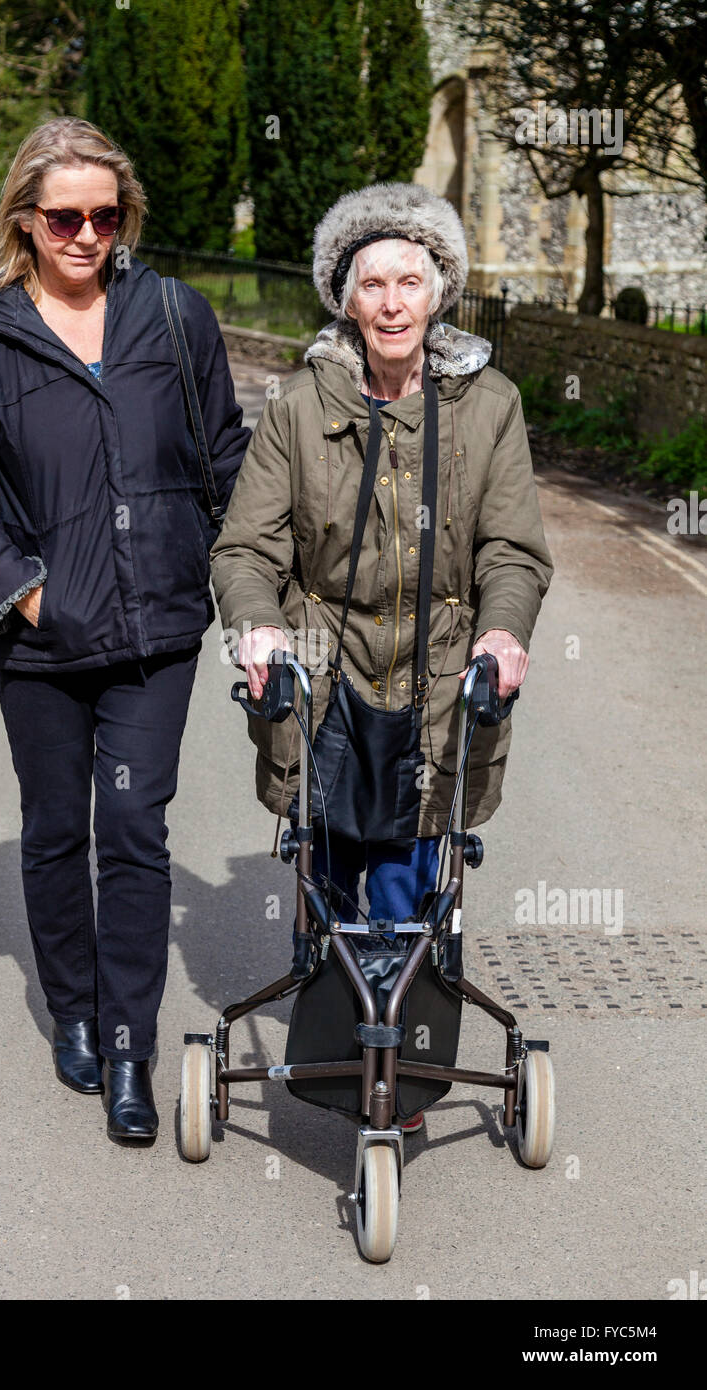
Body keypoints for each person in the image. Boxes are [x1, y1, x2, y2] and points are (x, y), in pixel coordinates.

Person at [0, 117, 250, 1145]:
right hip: (42, 643)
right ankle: (75, 1012)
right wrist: (24, 592)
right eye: (65, 216)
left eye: (105, 214)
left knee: (135, 832)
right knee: (57, 829)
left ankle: (131, 1046)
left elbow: (224, 456)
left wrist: (251, 584)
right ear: (25, 220)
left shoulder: (176, 318)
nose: (86, 235)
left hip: (157, 635)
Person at [209, 182, 553, 1130]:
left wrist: (503, 629)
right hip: (325, 674)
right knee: (328, 868)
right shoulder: (293, 407)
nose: (393, 301)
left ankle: (391, 1077)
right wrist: (258, 626)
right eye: (373, 284)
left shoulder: (491, 406)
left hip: (440, 679)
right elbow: (244, 550)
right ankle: (333, 1022)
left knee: (406, 891)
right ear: (344, 297)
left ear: (440, 290)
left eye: (412, 279)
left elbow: (512, 550)